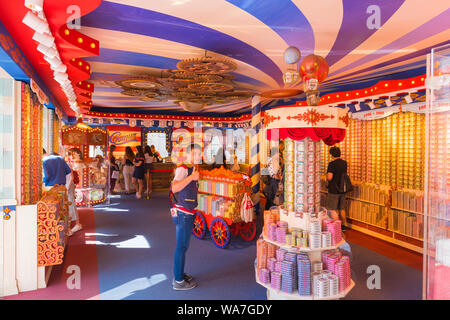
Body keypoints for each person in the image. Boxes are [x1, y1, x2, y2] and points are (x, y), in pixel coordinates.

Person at [170, 143, 202, 290]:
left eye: (199, 154)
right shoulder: (183, 168)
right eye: (194, 154)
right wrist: (191, 178)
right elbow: (174, 188)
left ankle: (180, 274)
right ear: (188, 154)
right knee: (181, 247)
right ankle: (178, 281)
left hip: (188, 212)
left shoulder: (193, 168)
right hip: (183, 212)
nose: (197, 157)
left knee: (184, 246)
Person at [326, 146, 348, 231]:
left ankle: (335, 226)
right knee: (342, 208)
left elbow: (330, 177)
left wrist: (326, 177)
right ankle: (344, 225)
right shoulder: (344, 163)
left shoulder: (332, 164)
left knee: (333, 209)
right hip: (343, 189)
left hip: (334, 190)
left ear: (331, 154)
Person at [65, 149, 83, 235]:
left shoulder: (67, 163)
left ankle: (77, 223)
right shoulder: (68, 163)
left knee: (71, 203)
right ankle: (74, 223)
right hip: (69, 185)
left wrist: (67, 188)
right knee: (70, 203)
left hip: (69, 185)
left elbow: (71, 177)